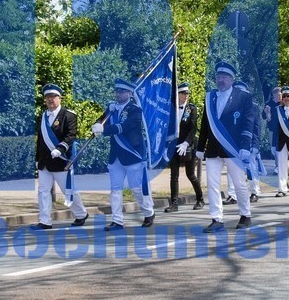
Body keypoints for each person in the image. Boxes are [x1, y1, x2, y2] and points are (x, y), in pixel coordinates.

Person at [195, 61, 257, 232]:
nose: (221, 80)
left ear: (232, 79)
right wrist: (200, 147)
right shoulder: (210, 97)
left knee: (239, 183)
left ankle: (245, 215)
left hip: (233, 148)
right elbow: (205, 123)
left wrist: (245, 146)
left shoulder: (243, 97)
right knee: (212, 184)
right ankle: (217, 219)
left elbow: (248, 122)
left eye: (225, 77)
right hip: (213, 148)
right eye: (219, 76)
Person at [92, 78, 154, 230]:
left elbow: (125, 127)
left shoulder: (135, 110)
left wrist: (104, 130)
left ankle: (148, 212)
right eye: (117, 91)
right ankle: (117, 220)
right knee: (115, 189)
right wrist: (97, 123)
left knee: (136, 189)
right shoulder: (112, 109)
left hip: (132, 154)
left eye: (122, 91)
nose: (118, 94)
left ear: (129, 93)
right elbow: (101, 121)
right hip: (116, 156)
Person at [34, 84, 88, 229]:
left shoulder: (69, 115)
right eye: (47, 97)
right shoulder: (43, 116)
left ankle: (81, 214)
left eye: (53, 96)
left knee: (67, 190)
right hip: (45, 162)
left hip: (61, 160)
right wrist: (37, 158)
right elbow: (40, 140)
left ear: (60, 98)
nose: (50, 99)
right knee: (43, 191)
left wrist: (60, 148)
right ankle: (45, 221)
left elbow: (71, 135)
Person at [164, 81, 204, 212]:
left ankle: (200, 199)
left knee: (190, 174)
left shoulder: (191, 109)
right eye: (182, 93)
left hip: (188, 145)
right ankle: (174, 203)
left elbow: (193, 128)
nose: (185, 96)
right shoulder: (171, 108)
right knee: (174, 175)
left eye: (187, 93)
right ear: (178, 94)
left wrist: (186, 143)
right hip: (174, 145)